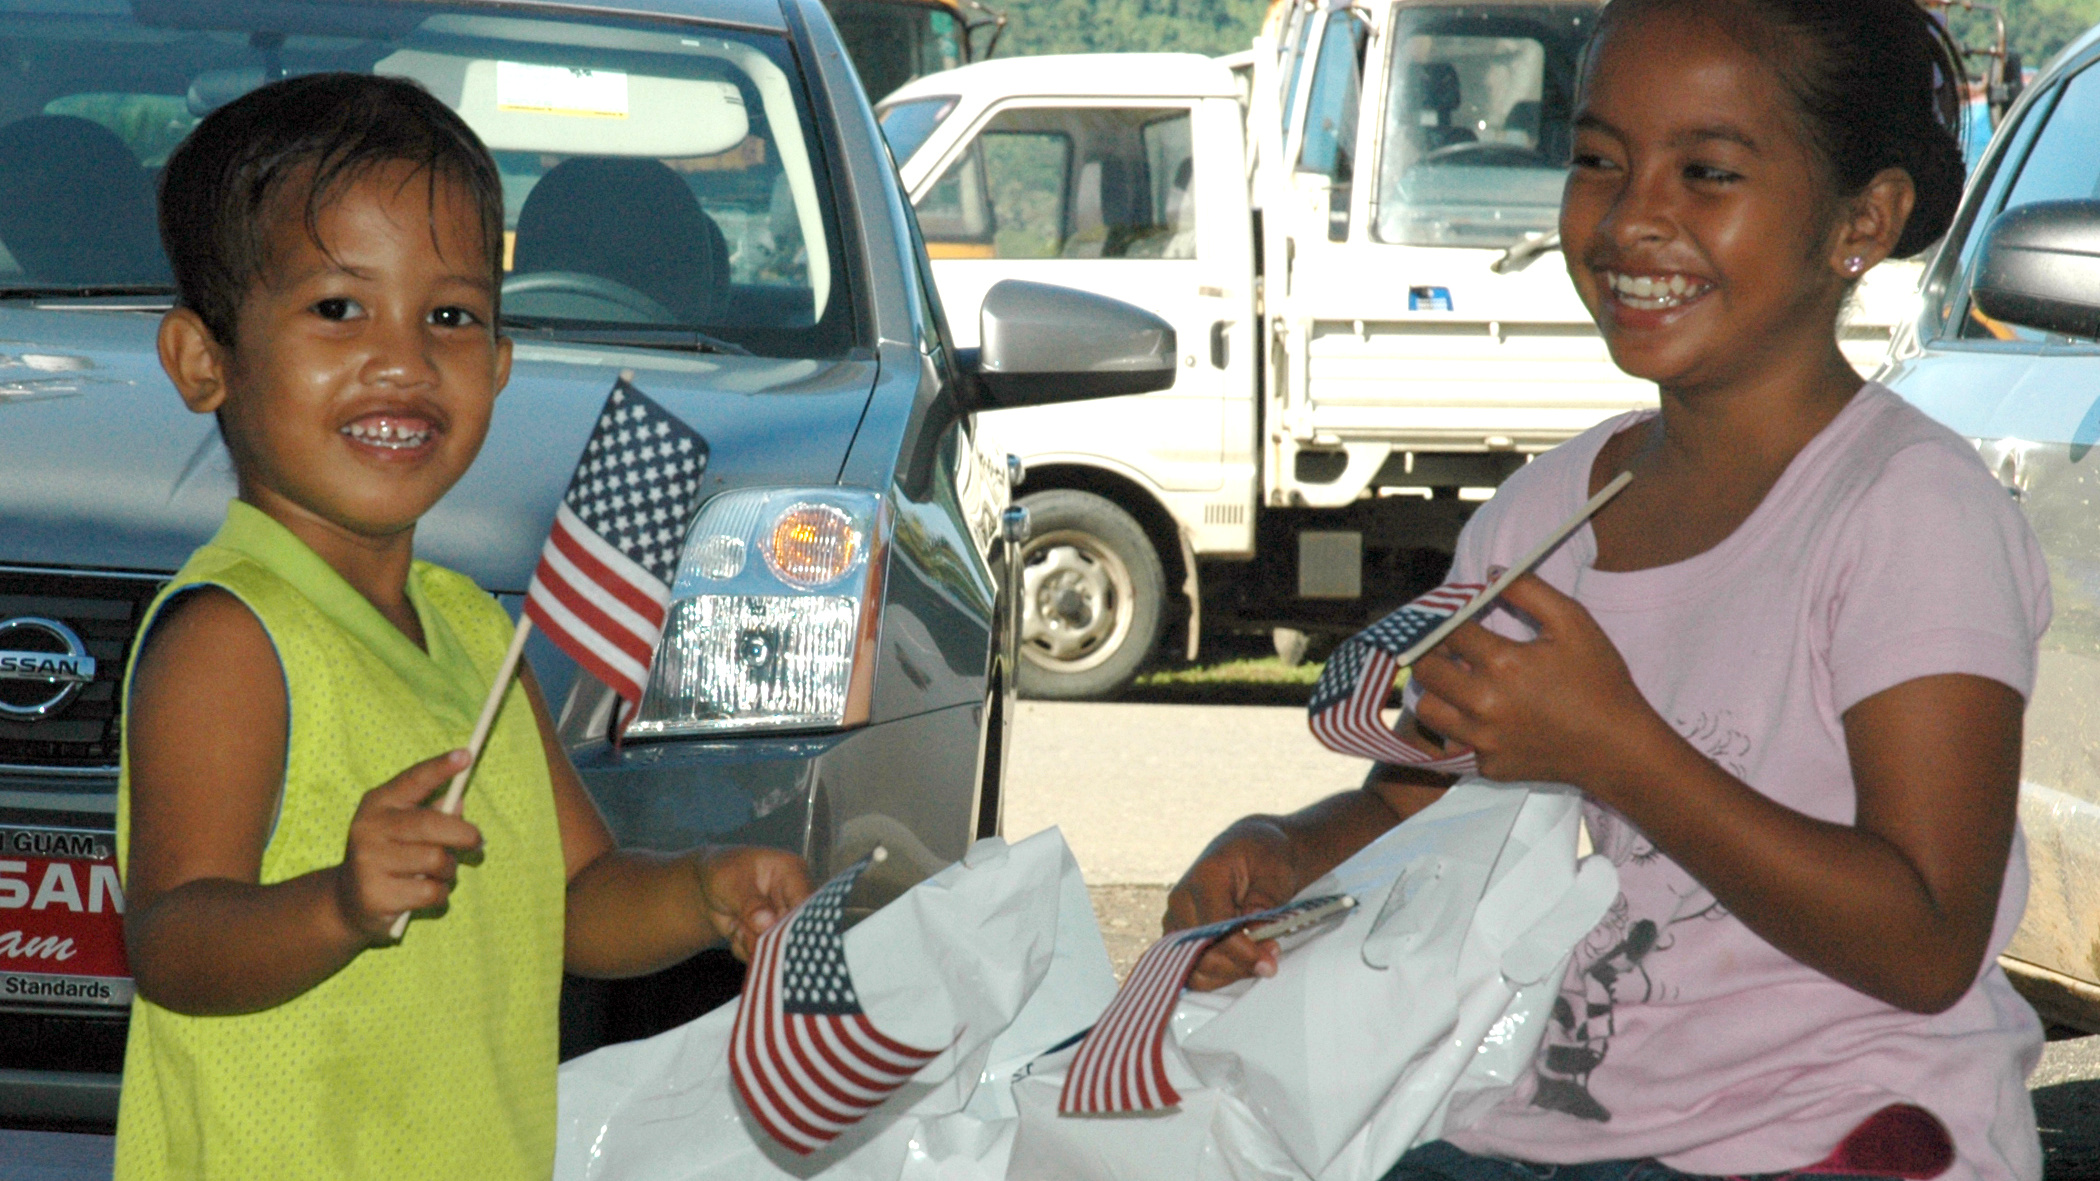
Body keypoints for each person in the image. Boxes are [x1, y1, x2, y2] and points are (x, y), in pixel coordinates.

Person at [1166, 1, 2047, 1178]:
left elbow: (1930, 937)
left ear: (1861, 221)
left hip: (1835, 1127)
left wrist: (1617, 747)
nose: (1634, 218)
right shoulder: (1547, 515)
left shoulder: (1909, 511)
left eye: (1709, 171)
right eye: (1598, 161)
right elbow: (1420, 804)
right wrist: (1289, 854)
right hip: (1556, 1121)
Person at [114, 74, 812, 1180]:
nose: (404, 358)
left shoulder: (471, 627)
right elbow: (175, 939)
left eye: (450, 315)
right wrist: (338, 902)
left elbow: (576, 899)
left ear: (496, 363)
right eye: (339, 308)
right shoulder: (234, 637)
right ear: (205, 361)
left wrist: (697, 888)